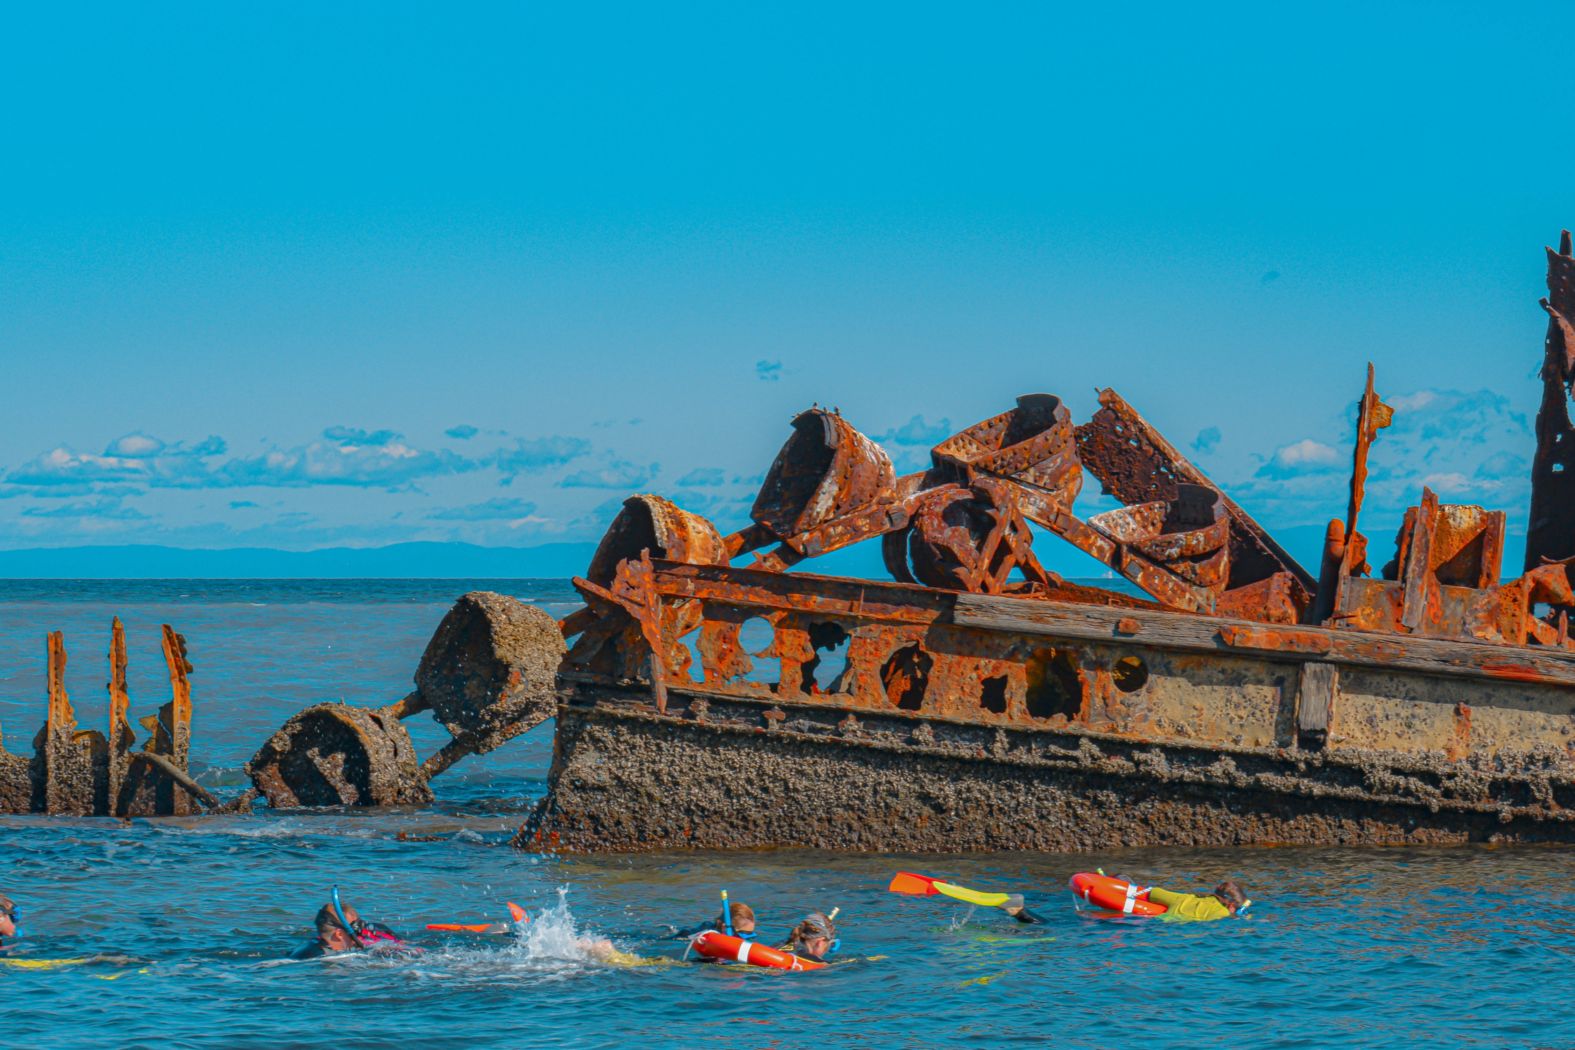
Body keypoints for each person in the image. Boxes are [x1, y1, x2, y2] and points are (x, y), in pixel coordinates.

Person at [290, 900, 405, 960]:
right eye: (355, 932)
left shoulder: (313, 944)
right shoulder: (323, 958)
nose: (358, 937)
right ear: (339, 934)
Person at [1147, 879, 1248, 922]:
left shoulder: (1188, 897)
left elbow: (1154, 892)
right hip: (1166, 927)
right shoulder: (1222, 913)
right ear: (1232, 905)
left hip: (1156, 921)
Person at [673, 901, 756, 941]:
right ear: (725, 928)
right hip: (684, 935)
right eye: (744, 935)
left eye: (750, 935)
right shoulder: (710, 936)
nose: (746, 940)